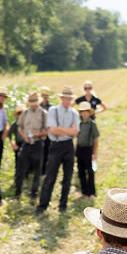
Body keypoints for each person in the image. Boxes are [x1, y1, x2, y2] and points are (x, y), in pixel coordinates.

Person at [36, 86, 79, 215]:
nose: (67, 101)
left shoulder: (74, 113)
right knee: (50, 177)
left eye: (69, 99)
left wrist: (61, 129)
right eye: (65, 98)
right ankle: (42, 206)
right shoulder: (53, 110)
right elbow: (53, 130)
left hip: (68, 146)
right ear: (61, 98)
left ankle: (63, 205)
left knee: (68, 177)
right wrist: (67, 130)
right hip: (55, 145)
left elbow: (75, 132)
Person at [16, 92, 47, 201]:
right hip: (26, 143)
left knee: (37, 171)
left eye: (35, 103)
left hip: (38, 143)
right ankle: (18, 192)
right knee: (21, 169)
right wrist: (24, 136)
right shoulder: (24, 113)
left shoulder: (43, 114)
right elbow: (20, 127)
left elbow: (47, 131)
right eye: (31, 103)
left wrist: (38, 134)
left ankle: (34, 193)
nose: (33, 105)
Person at [75, 101, 99, 200]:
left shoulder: (92, 124)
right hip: (79, 149)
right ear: (80, 113)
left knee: (90, 171)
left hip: (88, 149)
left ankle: (91, 193)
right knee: (80, 171)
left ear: (89, 113)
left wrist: (94, 153)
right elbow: (77, 137)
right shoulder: (79, 124)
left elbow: (96, 139)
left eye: (86, 112)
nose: (84, 114)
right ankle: (84, 192)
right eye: (82, 112)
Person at [7, 104, 26, 173]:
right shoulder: (14, 124)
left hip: (27, 143)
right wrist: (12, 144)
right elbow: (9, 135)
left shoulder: (27, 123)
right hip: (18, 143)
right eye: (19, 113)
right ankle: (18, 174)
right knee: (18, 160)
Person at [39, 87, 52, 176]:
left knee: (47, 151)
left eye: (46, 96)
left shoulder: (51, 107)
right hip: (39, 132)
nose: (44, 98)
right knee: (40, 151)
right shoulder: (37, 106)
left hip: (48, 132)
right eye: (43, 96)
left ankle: (46, 171)